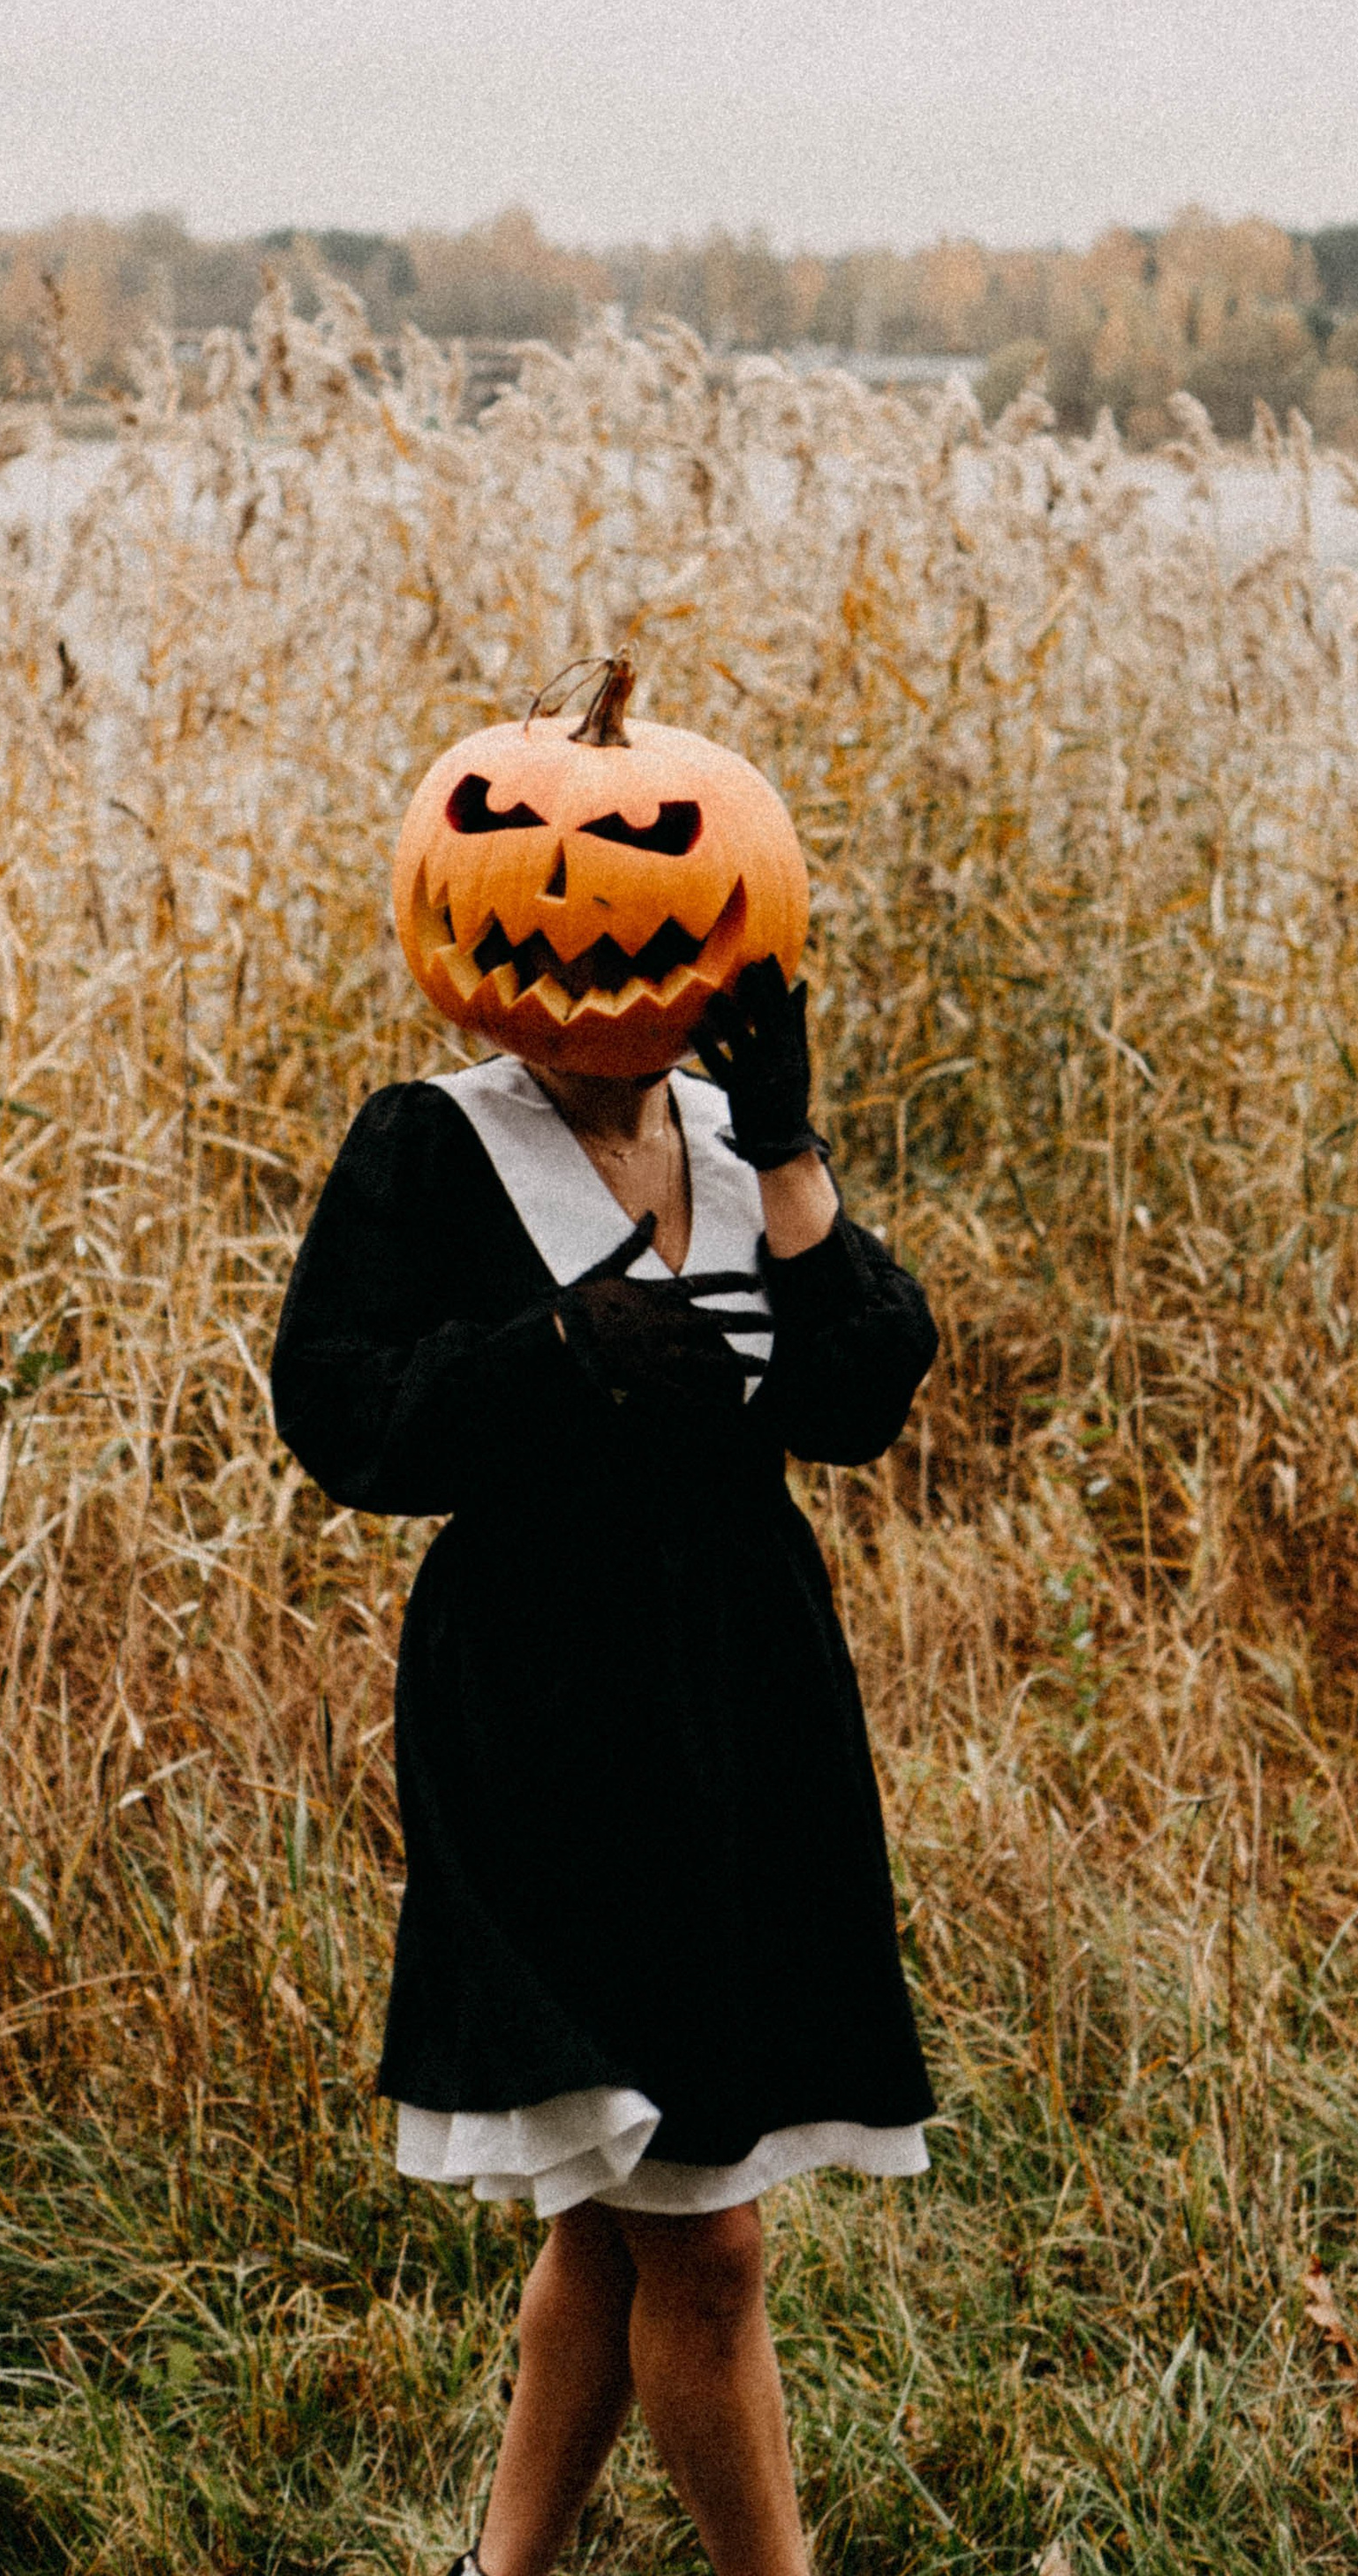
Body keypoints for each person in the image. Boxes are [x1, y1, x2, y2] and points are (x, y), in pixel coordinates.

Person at [270, 958, 938, 2576]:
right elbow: (340, 1414)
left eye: (648, 925)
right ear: (483, 937)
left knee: (612, 2207)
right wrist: (552, 1344)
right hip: (544, 1715)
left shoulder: (732, 1137)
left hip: (743, 1707)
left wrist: (788, 1153)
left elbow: (856, 1399)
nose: (598, 966)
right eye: (560, 934)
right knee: (707, 2239)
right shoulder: (432, 1143)